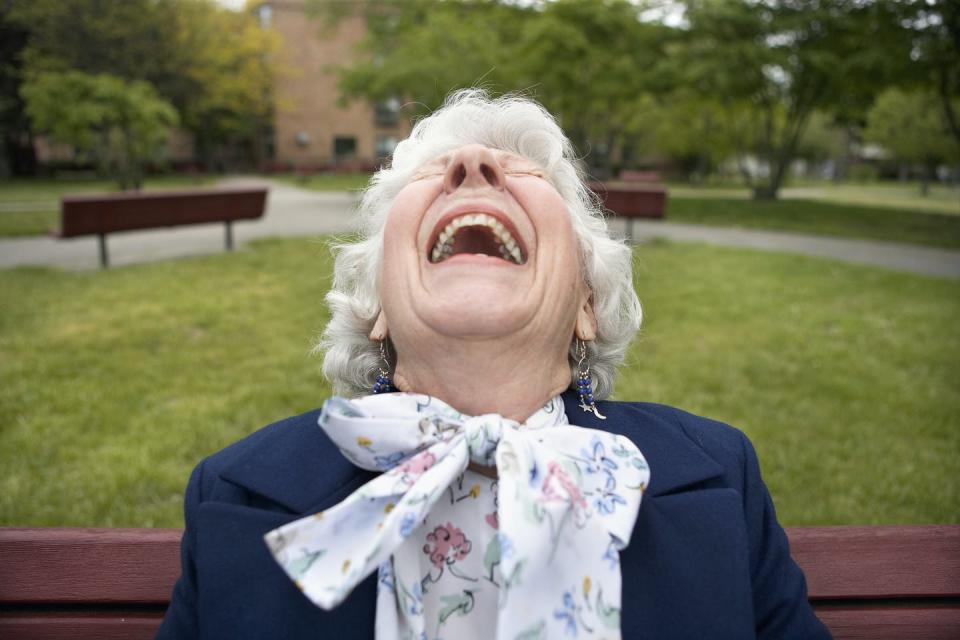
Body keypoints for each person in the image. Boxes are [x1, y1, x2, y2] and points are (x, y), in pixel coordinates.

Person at [157, 90, 831, 640]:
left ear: (586, 308)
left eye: (529, 175)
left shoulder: (721, 475)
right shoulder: (236, 494)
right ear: (379, 307)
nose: (474, 165)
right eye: (431, 174)